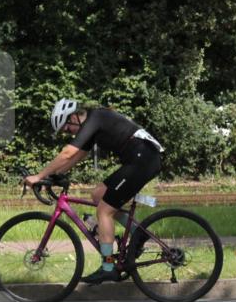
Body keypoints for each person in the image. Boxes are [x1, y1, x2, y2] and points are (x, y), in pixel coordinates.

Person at [24, 98, 164, 284]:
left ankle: (108, 267)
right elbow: (79, 155)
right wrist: (57, 174)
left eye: (67, 128)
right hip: (140, 159)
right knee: (98, 195)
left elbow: (68, 153)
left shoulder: (96, 117)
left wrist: (40, 176)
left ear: (74, 116)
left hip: (143, 159)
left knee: (104, 211)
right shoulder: (94, 124)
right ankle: (139, 233)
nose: (68, 132)